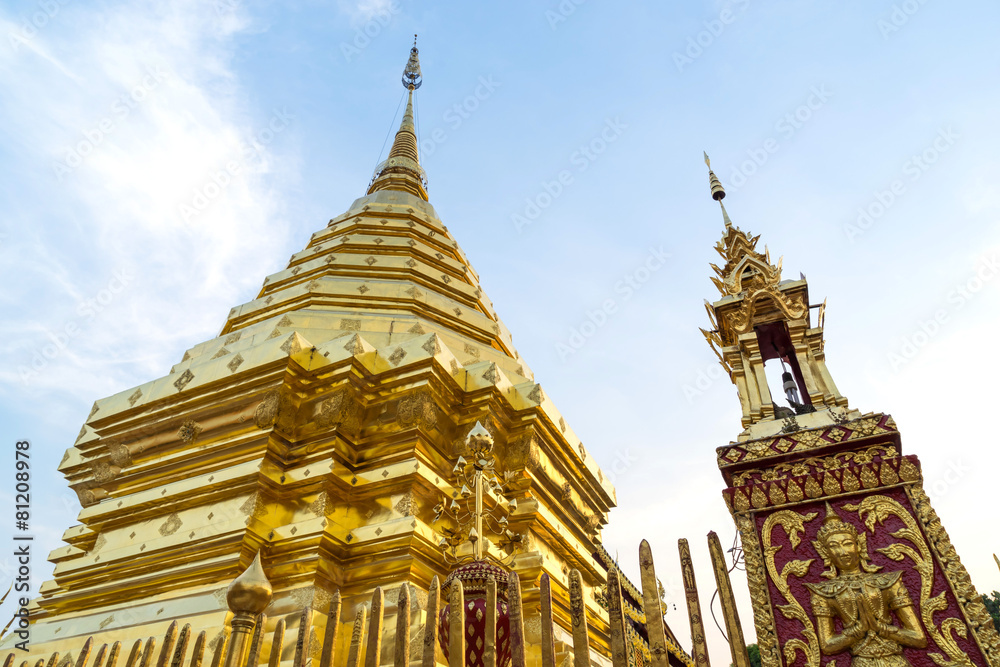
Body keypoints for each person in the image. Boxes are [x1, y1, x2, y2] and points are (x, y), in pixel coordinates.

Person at [805, 503, 926, 667]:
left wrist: (882, 628)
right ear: (824, 552)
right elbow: (827, 645)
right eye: (833, 546)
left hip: (897, 661)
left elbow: (918, 638)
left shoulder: (889, 582)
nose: (843, 552)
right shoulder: (822, 592)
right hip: (862, 662)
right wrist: (858, 631)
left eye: (848, 543)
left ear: (859, 545)